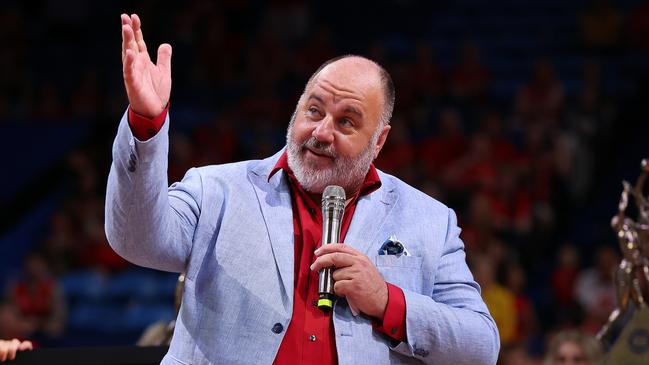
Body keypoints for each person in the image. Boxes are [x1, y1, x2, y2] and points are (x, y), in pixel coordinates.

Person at [105, 13, 499, 364]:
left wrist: (386, 302)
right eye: (314, 110)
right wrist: (147, 124)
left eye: (346, 122)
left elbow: (481, 346)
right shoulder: (216, 190)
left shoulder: (429, 220)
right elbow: (135, 239)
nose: (322, 132)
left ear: (378, 141)